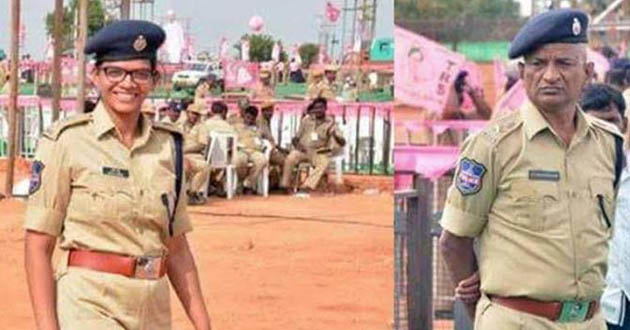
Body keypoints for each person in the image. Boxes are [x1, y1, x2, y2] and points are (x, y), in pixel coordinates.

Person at [439, 9, 624, 330]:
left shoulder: (609, 144)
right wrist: (484, 311)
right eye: (538, 64)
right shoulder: (492, 146)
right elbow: (454, 241)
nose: (550, 75)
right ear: (523, 73)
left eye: (564, 63)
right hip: (517, 321)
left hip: (591, 321)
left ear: (589, 72)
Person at [23, 20, 212, 330]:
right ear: (95, 76)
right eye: (115, 72)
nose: (128, 83)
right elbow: (38, 246)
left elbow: (177, 248)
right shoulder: (67, 142)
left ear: (154, 79)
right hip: (89, 303)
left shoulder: (168, 147)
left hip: (153, 307)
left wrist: (203, 324)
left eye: (139, 73)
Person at [579, 84, 630, 330]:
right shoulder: (566, 180)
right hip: (589, 306)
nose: (606, 131)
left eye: (612, 122)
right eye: (595, 124)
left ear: (625, 125)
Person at [280, 97, 345, 193]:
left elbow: (343, 142)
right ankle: (284, 186)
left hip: (318, 152)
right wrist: (298, 146)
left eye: (321, 108)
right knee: (291, 157)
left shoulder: (331, 123)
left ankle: (307, 186)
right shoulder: (306, 120)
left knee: (323, 162)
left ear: (325, 108)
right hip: (303, 151)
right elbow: (295, 138)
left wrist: (334, 134)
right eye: (316, 108)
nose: (318, 110)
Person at [234, 105, 269, 195]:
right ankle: (240, 181)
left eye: (252, 119)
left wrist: (264, 146)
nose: (249, 120)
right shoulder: (237, 127)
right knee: (239, 161)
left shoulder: (258, 128)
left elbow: (265, 140)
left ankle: (248, 184)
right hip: (241, 150)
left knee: (262, 160)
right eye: (248, 117)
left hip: (255, 151)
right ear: (244, 116)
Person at [182, 103, 210, 205]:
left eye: (197, 114)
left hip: (195, 156)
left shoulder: (201, 127)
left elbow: (201, 145)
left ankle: (192, 193)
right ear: (187, 113)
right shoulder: (180, 125)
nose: (194, 116)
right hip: (180, 156)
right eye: (192, 113)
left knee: (204, 167)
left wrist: (185, 151)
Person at [257, 101, 287, 188]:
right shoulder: (260, 121)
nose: (271, 114)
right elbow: (262, 139)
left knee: (286, 156)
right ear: (263, 111)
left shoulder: (267, 121)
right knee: (286, 161)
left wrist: (280, 148)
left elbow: (270, 139)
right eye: (269, 111)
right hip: (266, 151)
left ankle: (279, 183)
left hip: (272, 149)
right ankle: (284, 185)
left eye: (272, 111)